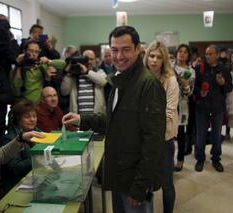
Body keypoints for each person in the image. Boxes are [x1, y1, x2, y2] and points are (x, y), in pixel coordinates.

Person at [62, 26, 166, 213]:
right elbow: (113, 120)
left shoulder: (148, 85)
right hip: (119, 172)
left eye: (126, 49)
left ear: (138, 50)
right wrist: (81, 119)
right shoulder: (119, 79)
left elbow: (153, 142)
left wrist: (140, 187)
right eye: (115, 50)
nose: (119, 56)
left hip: (134, 179)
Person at [144, 41, 179, 213]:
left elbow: (169, 112)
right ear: (146, 57)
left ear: (164, 59)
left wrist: (148, 126)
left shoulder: (171, 80)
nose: (154, 60)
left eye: (159, 57)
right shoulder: (141, 77)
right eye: (151, 56)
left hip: (164, 139)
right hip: (144, 140)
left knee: (167, 183)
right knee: (146, 181)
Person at [193, 45, 232, 172]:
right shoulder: (200, 68)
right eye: (206, 53)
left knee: (216, 136)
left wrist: (223, 84)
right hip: (202, 108)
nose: (207, 56)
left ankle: (216, 159)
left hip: (217, 108)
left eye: (210, 54)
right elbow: (194, 87)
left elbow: (230, 88)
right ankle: (200, 159)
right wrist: (200, 92)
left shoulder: (224, 69)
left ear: (217, 54)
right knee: (201, 136)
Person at [0, 99, 40, 192]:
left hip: (36, 178)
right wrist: (38, 158)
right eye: (27, 117)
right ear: (18, 119)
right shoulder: (9, 139)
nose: (32, 119)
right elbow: (16, 168)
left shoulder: (37, 132)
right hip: (18, 185)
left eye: (34, 116)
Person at [171, 44, 196, 172]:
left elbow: (190, 93)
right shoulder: (169, 67)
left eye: (185, 52)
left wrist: (186, 85)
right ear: (176, 53)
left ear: (188, 55)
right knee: (168, 134)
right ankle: (167, 160)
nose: (182, 54)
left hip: (183, 105)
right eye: (180, 51)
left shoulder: (191, 72)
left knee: (180, 134)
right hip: (168, 103)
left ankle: (180, 160)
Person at [61, 49, 107, 114]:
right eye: (86, 59)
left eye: (91, 59)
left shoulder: (99, 72)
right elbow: (64, 92)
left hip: (96, 117)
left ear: (95, 60)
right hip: (78, 118)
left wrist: (87, 72)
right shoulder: (74, 75)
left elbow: (103, 82)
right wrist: (68, 74)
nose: (89, 62)